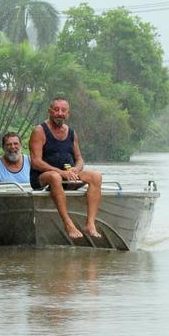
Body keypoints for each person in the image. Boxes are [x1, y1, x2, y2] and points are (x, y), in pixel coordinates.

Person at [29, 97, 103, 239]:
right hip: (43, 178)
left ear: (68, 114)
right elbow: (36, 162)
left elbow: (79, 159)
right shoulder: (39, 131)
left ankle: (90, 223)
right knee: (54, 176)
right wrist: (61, 172)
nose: (60, 113)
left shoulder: (71, 133)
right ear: (49, 111)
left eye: (63, 110)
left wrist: (76, 168)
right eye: (56, 110)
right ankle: (68, 223)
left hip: (68, 176)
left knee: (96, 176)